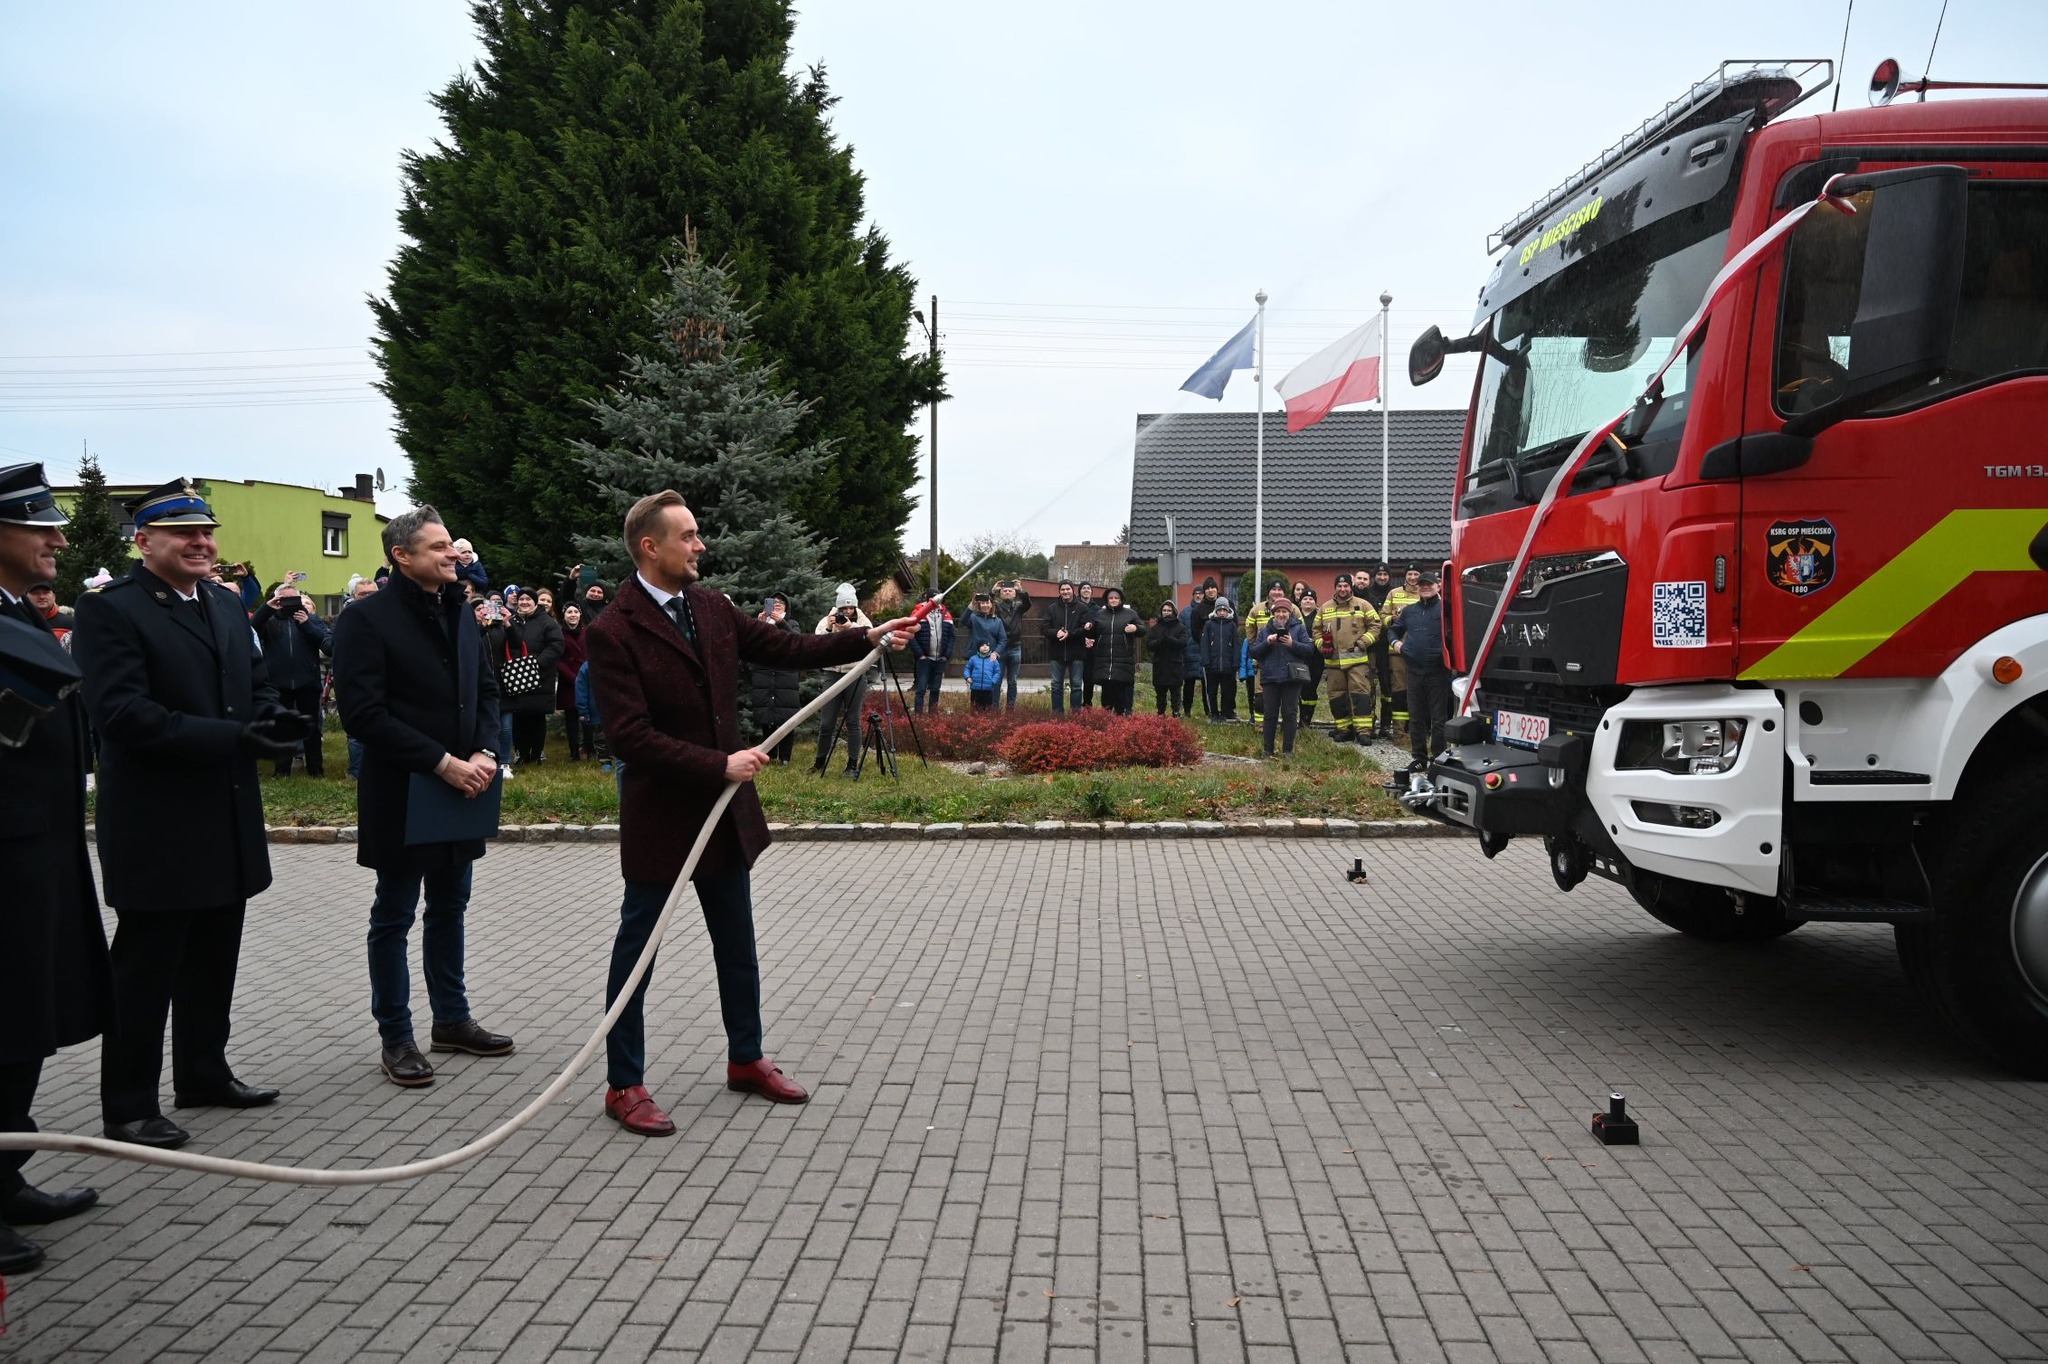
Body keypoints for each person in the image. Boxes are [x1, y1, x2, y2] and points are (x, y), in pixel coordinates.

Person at [583, 490, 915, 1134]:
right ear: (651, 548)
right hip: (664, 819)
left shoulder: (711, 608)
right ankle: (623, 1084)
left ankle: (746, 1059)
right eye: (689, 536)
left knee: (738, 946)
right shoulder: (613, 628)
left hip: (725, 817)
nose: (701, 545)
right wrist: (719, 765)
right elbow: (629, 737)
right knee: (637, 955)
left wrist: (866, 637)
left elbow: (785, 649)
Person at [73, 479, 295, 1150]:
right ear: (144, 541)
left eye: (208, 532)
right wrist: (232, 738)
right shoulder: (111, 610)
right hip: (158, 823)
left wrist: (267, 716)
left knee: (213, 955)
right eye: (184, 534)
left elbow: (250, 683)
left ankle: (202, 1072)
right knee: (146, 968)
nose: (202, 543)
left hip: (223, 817)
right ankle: (129, 1105)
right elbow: (121, 715)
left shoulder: (225, 607)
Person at [332, 506, 513, 1087]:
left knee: (451, 907)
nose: (453, 555)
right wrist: (442, 763)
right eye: (438, 547)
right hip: (405, 792)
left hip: (464, 788)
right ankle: (397, 1037)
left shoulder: (460, 610)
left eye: (452, 547)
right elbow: (363, 714)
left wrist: (486, 752)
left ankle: (452, 1020)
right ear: (401, 556)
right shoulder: (367, 619)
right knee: (394, 915)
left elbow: (486, 690)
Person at [0, 464, 110, 1274]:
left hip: (38, 850)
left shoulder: (17, 615)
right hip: (6, 858)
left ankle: (6, 1175)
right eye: (38, 526)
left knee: (25, 1021)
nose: (57, 539)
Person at [250, 579, 333, 777]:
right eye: (283, 600)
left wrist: (306, 624)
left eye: (293, 599)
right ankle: (282, 770)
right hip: (278, 683)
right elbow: (251, 628)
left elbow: (327, 645)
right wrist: (267, 608)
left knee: (311, 729)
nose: (288, 604)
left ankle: (315, 769)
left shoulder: (311, 620)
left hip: (308, 682)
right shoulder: (270, 621)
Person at [1389, 573, 1451, 770]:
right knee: (1416, 717)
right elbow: (1392, 630)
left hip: (1439, 671)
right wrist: (1396, 644)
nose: (1425, 587)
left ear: (1438, 586)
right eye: (1421, 585)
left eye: (1429, 584)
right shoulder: (1409, 611)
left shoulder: (1446, 610)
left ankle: (1438, 757)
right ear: (1417, 588)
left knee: (1438, 718)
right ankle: (1419, 758)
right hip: (1414, 670)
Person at [811, 583, 875, 774]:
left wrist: (851, 627)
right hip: (832, 673)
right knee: (826, 722)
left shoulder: (862, 621)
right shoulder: (827, 620)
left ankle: (852, 765)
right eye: (844, 608)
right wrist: (830, 629)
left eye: (850, 607)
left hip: (855, 674)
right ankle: (819, 763)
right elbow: (816, 643)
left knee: (853, 720)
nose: (847, 611)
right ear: (838, 607)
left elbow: (870, 640)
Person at [500, 587, 564, 767]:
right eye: (521, 599)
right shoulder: (510, 621)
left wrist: (537, 663)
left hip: (540, 677)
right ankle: (521, 754)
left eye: (528, 599)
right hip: (515, 677)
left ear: (535, 602)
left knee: (536, 718)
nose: (524, 602)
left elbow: (557, 645)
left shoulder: (547, 622)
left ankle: (536, 754)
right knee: (519, 717)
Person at [1317, 573, 1383, 744]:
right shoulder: (1325, 608)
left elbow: (1376, 625)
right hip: (1333, 662)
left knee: (1360, 696)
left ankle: (1363, 732)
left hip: (1357, 661)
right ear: (1335, 588)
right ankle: (1344, 729)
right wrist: (1321, 645)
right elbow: (1315, 630)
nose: (1343, 589)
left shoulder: (1363, 605)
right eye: (1339, 586)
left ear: (1350, 587)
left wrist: (1363, 642)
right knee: (1336, 698)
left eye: (1346, 586)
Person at [1249, 597, 1314, 757]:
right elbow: (1254, 652)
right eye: (1278, 611)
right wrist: (1267, 642)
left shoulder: (1299, 628)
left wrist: (1293, 644)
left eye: (1284, 611)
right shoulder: (1264, 631)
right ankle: (1267, 750)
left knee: (1290, 713)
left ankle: (1287, 750)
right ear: (1273, 613)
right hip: (1270, 678)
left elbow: (1309, 650)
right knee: (1270, 714)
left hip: (1292, 678)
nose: (1281, 614)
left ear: (1289, 613)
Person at [747, 593, 802, 763]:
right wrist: (760, 625)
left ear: (787, 606)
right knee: (767, 715)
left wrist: (781, 622)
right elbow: (751, 645)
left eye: (781, 603)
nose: (777, 605)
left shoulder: (792, 623)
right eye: (774, 602)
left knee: (786, 717)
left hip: (786, 675)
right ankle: (769, 755)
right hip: (764, 674)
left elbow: (796, 641)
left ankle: (785, 757)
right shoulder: (761, 623)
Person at [1382, 567, 1423, 741]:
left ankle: (1417, 729)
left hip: (1419, 651)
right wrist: (1392, 619)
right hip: (1397, 651)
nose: (1413, 577)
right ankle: (1399, 731)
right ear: (1405, 576)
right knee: (1399, 690)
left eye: (1416, 575)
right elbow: (1382, 616)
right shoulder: (1394, 593)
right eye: (1410, 574)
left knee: (1419, 690)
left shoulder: (1426, 593)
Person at [1039, 580, 1090, 714]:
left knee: (1077, 686)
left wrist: (1070, 634)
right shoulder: (1052, 608)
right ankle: (1057, 714)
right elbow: (1044, 628)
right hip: (1057, 653)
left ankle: (1076, 714)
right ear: (1059, 592)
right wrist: (1056, 632)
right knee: (1056, 685)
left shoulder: (1082, 608)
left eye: (1068, 589)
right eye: (1063, 590)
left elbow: (1085, 628)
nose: (1065, 592)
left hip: (1077, 653)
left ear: (1073, 590)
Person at [1092, 586, 1142, 716]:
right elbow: (1093, 632)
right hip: (1104, 658)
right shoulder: (1099, 614)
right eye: (1111, 598)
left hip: (1123, 659)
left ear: (1121, 600)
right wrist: (1088, 628)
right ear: (1107, 600)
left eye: (1116, 598)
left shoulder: (1130, 613)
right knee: (1106, 689)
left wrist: (1135, 627)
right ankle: (1106, 717)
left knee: (1120, 688)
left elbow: (1143, 629)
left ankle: (1120, 716)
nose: (1113, 600)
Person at [909, 592, 953, 713]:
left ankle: (933, 716)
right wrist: (920, 655)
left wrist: (946, 656)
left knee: (935, 689)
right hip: (924, 659)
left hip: (940, 659)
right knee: (921, 689)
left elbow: (951, 636)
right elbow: (910, 635)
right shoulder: (918, 613)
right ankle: (918, 715)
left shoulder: (946, 614)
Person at [556, 602, 589, 760]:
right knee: (571, 718)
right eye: (569, 612)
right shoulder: (559, 633)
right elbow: (558, 659)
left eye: (576, 611)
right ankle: (574, 752)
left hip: (587, 679)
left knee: (587, 716)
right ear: (564, 615)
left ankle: (590, 748)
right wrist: (572, 677)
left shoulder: (587, 631)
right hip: (568, 681)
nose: (573, 614)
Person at [992, 580, 1031, 709]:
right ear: (1000, 594)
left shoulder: (1019, 607)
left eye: (1010, 590)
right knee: (996, 680)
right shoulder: (996, 606)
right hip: (1000, 648)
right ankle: (994, 708)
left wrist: (1021, 590)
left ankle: (1010, 708)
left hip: (1015, 647)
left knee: (1012, 681)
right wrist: (993, 591)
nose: (1007, 592)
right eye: (1004, 591)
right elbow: (986, 604)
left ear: (1015, 594)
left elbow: (1028, 604)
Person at [1145, 598, 1187, 716]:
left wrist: (1170, 639)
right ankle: (1160, 713)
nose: (1166, 612)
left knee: (1176, 692)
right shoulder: (1155, 628)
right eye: (1164, 610)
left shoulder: (1180, 627)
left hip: (1175, 665)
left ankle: (1176, 712)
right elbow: (1149, 645)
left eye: (1169, 610)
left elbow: (1183, 643)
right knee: (1160, 693)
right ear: (1161, 612)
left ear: (1173, 612)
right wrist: (1160, 641)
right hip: (1160, 665)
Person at [1201, 596, 1240, 721]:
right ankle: (1213, 712)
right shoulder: (1209, 625)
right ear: (1215, 611)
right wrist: (1206, 661)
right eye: (1220, 610)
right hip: (1212, 665)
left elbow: (1236, 645)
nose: (1222, 612)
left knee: (1227, 691)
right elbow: (1204, 644)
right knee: (1211, 691)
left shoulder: (1232, 626)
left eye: (1225, 610)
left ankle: (1224, 712)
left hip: (1228, 666)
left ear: (1228, 611)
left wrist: (1235, 663)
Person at [1295, 586, 1324, 729]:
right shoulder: (1295, 615)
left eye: (1311, 599)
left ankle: (1306, 719)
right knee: (1297, 689)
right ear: (1300, 602)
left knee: (1310, 689)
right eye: (1305, 599)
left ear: (1315, 602)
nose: (1308, 601)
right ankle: (1294, 718)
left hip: (1316, 658)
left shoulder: (1320, 616)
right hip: (1298, 658)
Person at [1076, 582, 1102, 706]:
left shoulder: (1097, 609)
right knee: (1076, 679)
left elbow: (1100, 627)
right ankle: (1075, 706)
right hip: (1076, 644)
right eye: (1083, 588)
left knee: (1088, 678)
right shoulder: (1074, 606)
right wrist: (1082, 639)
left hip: (1092, 647)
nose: (1086, 590)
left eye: (1088, 588)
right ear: (1079, 591)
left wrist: (1093, 640)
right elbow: (1072, 626)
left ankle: (1087, 704)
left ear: (1091, 592)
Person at [964, 640, 1003, 709]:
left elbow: (997, 672)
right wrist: (967, 677)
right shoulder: (973, 659)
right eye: (982, 645)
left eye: (987, 645)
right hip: (975, 688)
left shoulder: (993, 659)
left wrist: (993, 681)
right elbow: (967, 669)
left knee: (987, 708)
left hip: (988, 689)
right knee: (975, 707)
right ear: (978, 647)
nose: (985, 647)